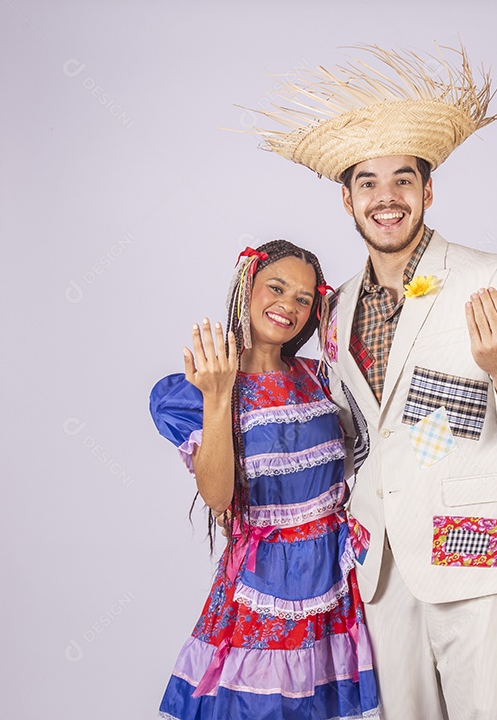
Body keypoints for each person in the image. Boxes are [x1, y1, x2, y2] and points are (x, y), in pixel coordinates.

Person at [242, 45, 497, 719]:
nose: (385, 198)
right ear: (347, 197)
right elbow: (348, 432)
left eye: (402, 181)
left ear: (427, 190)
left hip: (476, 551)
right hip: (379, 566)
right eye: (368, 183)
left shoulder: (488, 276)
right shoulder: (332, 309)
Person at [149, 239, 380, 719]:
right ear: (246, 286)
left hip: (337, 575)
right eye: (276, 288)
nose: (288, 306)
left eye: (303, 299)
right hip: (267, 582)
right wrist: (217, 397)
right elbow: (217, 498)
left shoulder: (321, 378)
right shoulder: (203, 389)